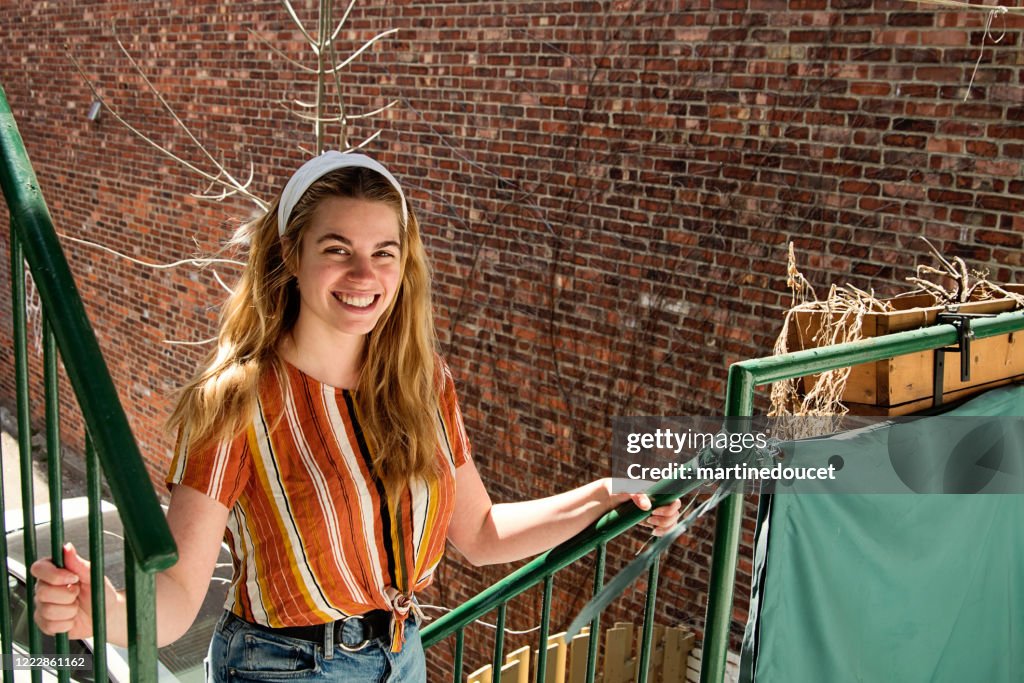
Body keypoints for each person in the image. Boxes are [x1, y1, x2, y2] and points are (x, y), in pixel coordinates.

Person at [31, 152, 682, 681]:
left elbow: (480, 532)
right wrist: (103, 611)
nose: (364, 273)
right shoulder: (238, 400)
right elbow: (176, 596)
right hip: (283, 665)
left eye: (384, 251)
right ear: (292, 253)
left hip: (401, 654)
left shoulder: (422, 383)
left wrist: (603, 495)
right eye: (338, 248)